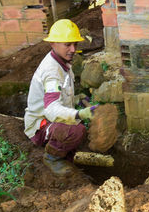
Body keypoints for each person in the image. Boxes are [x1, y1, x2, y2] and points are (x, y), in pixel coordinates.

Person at [24, 19, 96, 176]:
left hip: (51, 119)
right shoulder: (51, 73)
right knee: (76, 131)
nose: (72, 49)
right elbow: (50, 109)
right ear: (53, 44)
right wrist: (78, 114)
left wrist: (77, 99)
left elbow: (58, 95)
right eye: (67, 44)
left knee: (77, 129)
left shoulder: (62, 62)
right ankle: (52, 158)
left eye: (75, 44)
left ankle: (66, 156)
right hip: (41, 125)